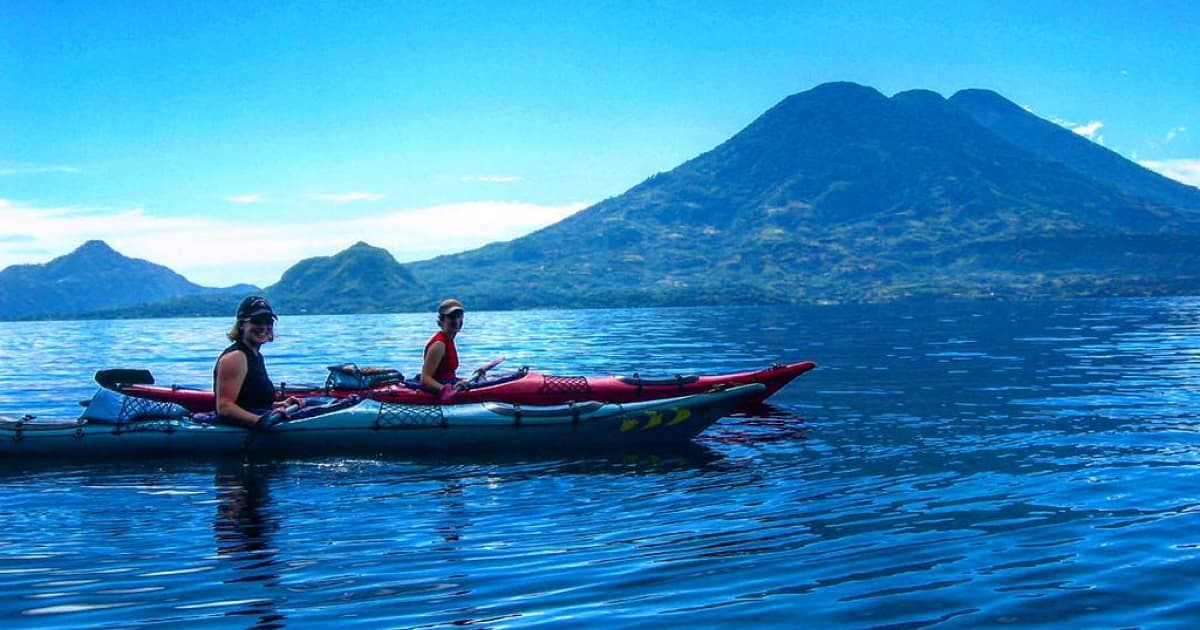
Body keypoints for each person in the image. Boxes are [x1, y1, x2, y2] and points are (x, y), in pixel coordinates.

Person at [213, 296, 303, 428]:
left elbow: (249, 402)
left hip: (258, 415)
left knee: (317, 402)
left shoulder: (256, 355)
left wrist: (280, 405)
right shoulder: (235, 357)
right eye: (256, 321)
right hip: (243, 427)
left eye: (268, 321)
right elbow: (225, 407)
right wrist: (261, 420)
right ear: (242, 325)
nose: (263, 327)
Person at [420, 298, 470, 401]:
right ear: (442, 320)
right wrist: (447, 389)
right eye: (451, 317)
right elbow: (425, 379)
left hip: (449, 382)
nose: (456, 321)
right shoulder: (439, 344)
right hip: (440, 390)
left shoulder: (449, 340)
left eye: (459, 316)